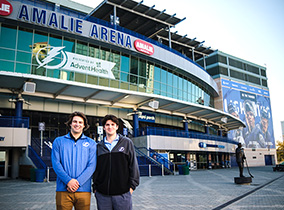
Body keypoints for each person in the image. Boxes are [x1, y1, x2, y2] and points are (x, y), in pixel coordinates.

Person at [93, 114, 140, 210]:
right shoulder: (98, 146)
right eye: (107, 125)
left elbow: (133, 165)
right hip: (103, 195)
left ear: (117, 127)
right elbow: (96, 169)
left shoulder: (127, 143)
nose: (110, 127)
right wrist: (95, 188)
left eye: (113, 124)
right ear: (104, 128)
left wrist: (131, 187)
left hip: (122, 194)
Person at [52, 111, 97, 210]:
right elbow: (56, 164)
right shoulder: (58, 141)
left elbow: (92, 166)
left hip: (84, 190)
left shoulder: (91, 143)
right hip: (63, 189)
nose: (77, 124)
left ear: (84, 125)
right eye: (75, 121)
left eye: (80, 122)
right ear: (70, 124)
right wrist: (68, 181)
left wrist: (78, 183)